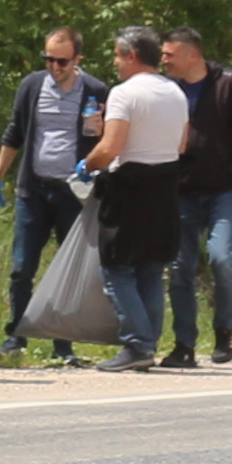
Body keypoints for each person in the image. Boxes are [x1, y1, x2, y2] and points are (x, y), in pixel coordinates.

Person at [90, 29, 192, 372]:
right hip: (165, 184)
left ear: (132, 56)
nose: (116, 63)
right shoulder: (175, 92)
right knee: (151, 266)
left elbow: (110, 148)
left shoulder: (124, 94)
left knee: (116, 266)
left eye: (118, 56)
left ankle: (136, 343)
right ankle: (148, 342)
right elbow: (182, 145)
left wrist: (87, 164)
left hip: (129, 186)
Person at [0, 29, 98, 365]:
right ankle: (16, 335)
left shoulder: (96, 91)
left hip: (73, 193)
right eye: (49, 59)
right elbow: (15, 132)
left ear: (78, 59)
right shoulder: (32, 86)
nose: (55, 66)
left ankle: (63, 343)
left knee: (67, 270)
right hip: (34, 189)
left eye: (62, 61)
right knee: (22, 266)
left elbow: (108, 139)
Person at [164, 28, 232, 366]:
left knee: (222, 257)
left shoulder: (229, 84)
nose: (164, 60)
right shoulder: (166, 89)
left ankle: (225, 330)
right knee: (179, 267)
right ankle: (184, 344)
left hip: (225, 189)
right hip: (180, 190)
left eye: (170, 54)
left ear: (194, 55)